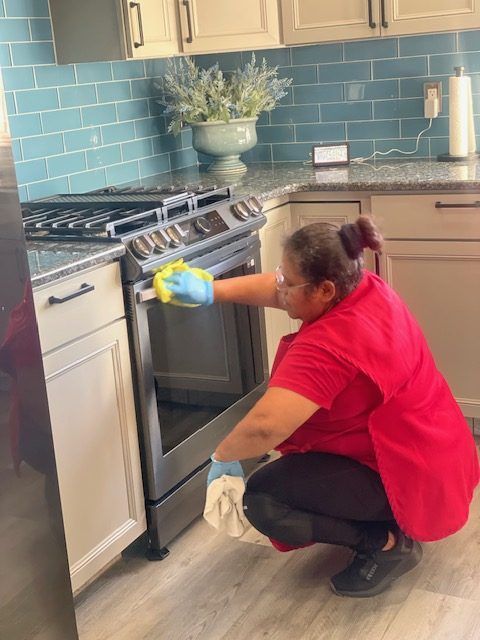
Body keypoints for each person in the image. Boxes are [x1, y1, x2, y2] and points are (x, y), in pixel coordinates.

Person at [163, 216, 479, 598]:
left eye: (287, 280)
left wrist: (223, 457)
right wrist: (211, 290)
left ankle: (385, 545)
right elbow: (281, 290)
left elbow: (266, 427)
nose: (279, 285)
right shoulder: (364, 289)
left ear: (325, 289)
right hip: (434, 453)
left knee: (264, 499)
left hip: (404, 473)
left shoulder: (333, 344)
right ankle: (384, 519)